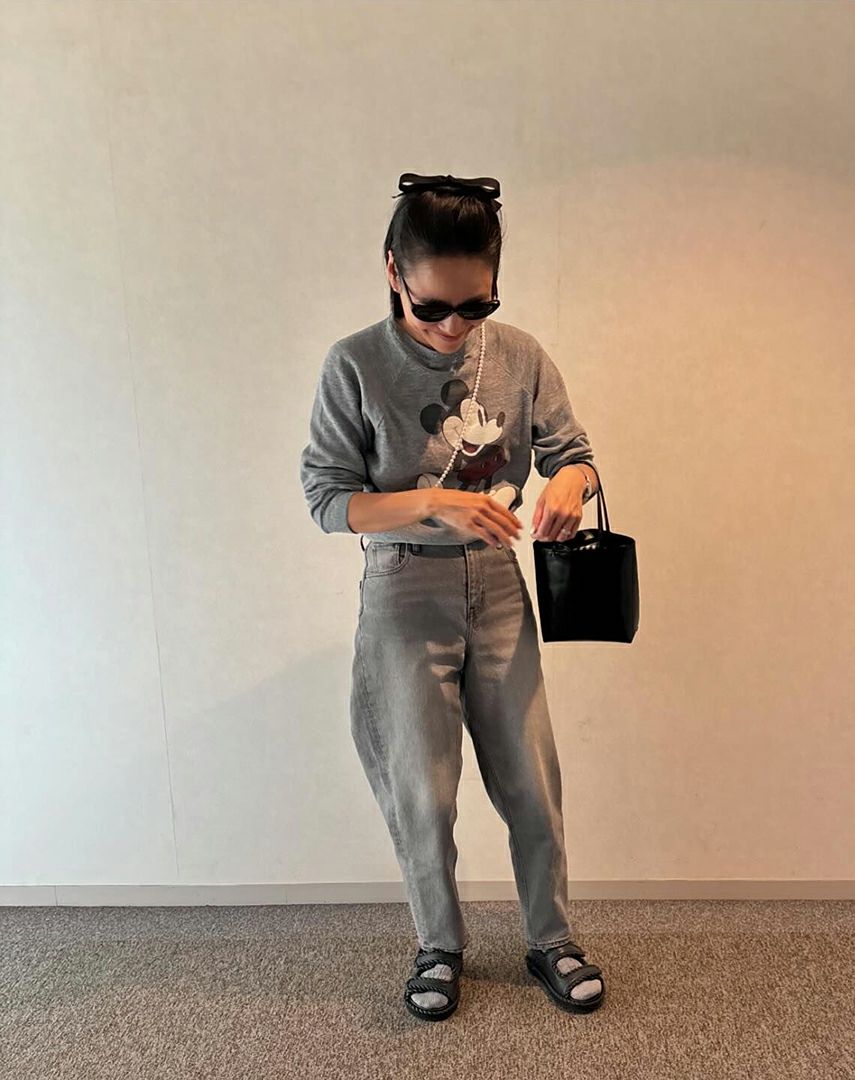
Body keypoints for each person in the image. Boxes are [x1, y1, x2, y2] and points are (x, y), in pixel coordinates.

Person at [299, 173, 606, 1020]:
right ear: (393, 270)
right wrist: (433, 501)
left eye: (476, 306)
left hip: (499, 587)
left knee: (531, 782)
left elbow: (574, 452)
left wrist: (570, 482)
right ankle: (438, 944)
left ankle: (551, 938)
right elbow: (328, 499)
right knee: (423, 791)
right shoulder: (355, 364)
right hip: (404, 588)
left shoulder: (520, 356)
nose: (452, 328)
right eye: (433, 307)